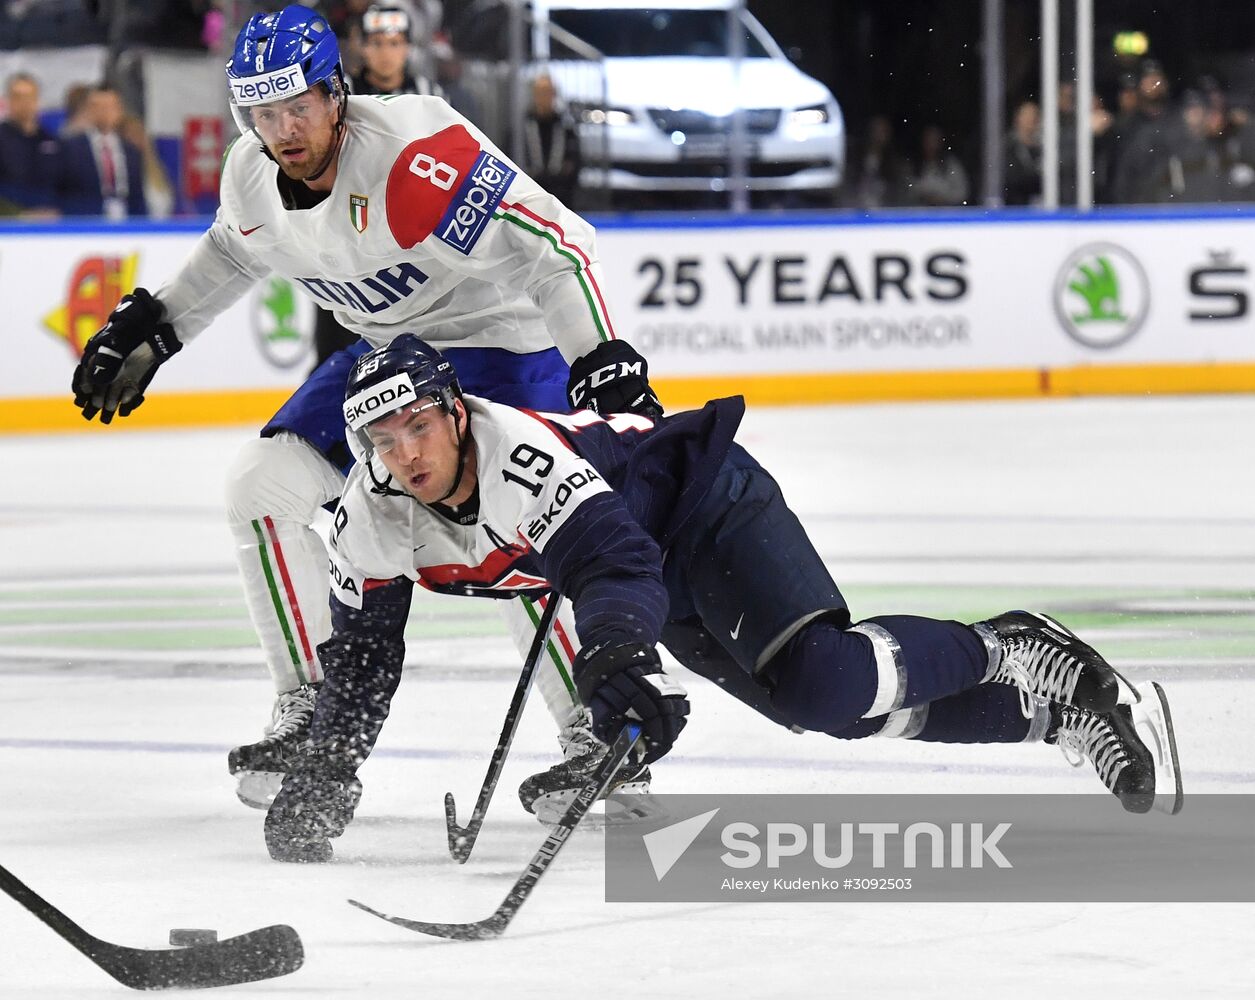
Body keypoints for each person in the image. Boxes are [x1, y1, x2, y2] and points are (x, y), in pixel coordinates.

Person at [261, 337, 1184, 862]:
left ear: (455, 412)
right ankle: (1048, 713)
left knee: (825, 680)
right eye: (382, 439)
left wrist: (618, 665)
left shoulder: (521, 459)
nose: (407, 451)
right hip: (651, 563)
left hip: (704, 505)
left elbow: (612, 564)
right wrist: (329, 769)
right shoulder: (368, 520)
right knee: (826, 712)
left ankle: (1006, 645)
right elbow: (366, 655)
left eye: (419, 423)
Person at [69, 4, 661, 812]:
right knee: (260, 486)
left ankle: (594, 736)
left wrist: (598, 355)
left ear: (335, 92)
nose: (282, 129)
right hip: (388, 353)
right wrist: (159, 322)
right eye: (262, 111)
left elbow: (555, 244)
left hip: (503, 345)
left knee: (520, 532)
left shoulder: (415, 156)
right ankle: (314, 706)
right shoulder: (252, 171)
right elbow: (235, 248)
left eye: (297, 105)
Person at [312, 3, 445, 367]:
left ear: (407, 47)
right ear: (362, 47)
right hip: (346, 231)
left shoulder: (429, 94)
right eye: (378, 43)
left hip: (412, 235)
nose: (386, 53)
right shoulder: (342, 95)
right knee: (335, 347)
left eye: (395, 43)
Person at [58, 83, 148, 218]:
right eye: (97, 106)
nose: (104, 112)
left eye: (110, 106)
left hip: (126, 227)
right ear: (88, 109)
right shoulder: (70, 148)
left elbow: (137, 198)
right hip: (87, 225)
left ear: (119, 110)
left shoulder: (131, 151)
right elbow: (64, 193)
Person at [514, 73, 581, 209]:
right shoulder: (520, 130)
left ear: (554, 95)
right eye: (540, 92)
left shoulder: (566, 127)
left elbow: (575, 162)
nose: (544, 97)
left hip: (561, 199)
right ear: (534, 94)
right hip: (528, 199)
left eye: (547, 92)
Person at [0, 71, 61, 216]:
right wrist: (18, 214)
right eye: (18, 97)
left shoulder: (51, 139)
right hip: (9, 225)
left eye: (29, 97)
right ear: (7, 100)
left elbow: (63, 183)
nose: (24, 103)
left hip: (51, 222)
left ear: (37, 99)